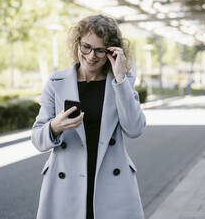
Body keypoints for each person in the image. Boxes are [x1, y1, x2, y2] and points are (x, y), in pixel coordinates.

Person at [32, 15, 146, 219]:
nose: (91, 56)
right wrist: (54, 127)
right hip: (66, 184)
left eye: (100, 50)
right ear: (77, 44)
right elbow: (37, 139)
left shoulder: (121, 82)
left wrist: (120, 79)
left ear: (111, 51)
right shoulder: (56, 82)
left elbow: (135, 128)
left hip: (111, 182)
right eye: (86, 47)